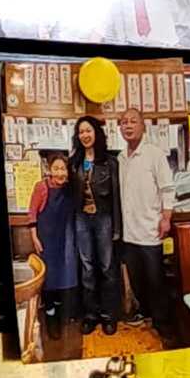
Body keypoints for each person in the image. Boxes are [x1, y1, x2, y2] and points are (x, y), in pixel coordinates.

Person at [117, 106, 176, 342]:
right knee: (137, 280)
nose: (128, 126)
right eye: (124, 122)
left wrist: (166, 218)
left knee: (156, 280)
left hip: (151, 230)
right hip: (129, 233)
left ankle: (164, 324)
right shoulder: (121, 158)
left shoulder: (155, 154)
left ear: (143, 126)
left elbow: (167, 188)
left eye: (133, 121)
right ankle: (147, 313)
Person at [69, 115, 122, 336]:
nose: (85, 135)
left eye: (88, 130)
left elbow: (117, 196)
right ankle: (91, 315)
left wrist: (117, 228)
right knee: (87, 268)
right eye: (81, 132)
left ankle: (109, 316)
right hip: (82, 219)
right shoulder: (74, 162)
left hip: (104, 218)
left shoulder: (110, 162)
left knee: (107, 267)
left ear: (96, 133)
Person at [26, 152, 79, 340]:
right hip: (46, 240)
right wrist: (34, 237)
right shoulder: (41, 187)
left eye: (63, 169)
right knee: (48, 280)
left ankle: (61, 313)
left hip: (66, 239)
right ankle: (50, 317)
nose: (60, 173)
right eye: (56, 168)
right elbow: (32, 213)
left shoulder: (71, 189)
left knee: (65, 278)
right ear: (49, 169)